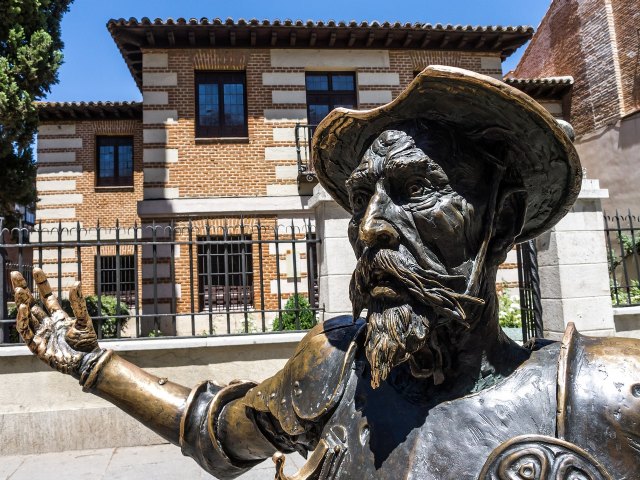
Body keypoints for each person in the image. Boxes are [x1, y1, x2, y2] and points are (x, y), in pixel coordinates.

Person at [11, 66, 639, 480]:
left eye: (414, 188)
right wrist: (92, 365)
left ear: (499, 219)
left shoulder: (605, 393)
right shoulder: (334, 369)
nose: (369, 229)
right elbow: (211, 429)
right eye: (361, 200)